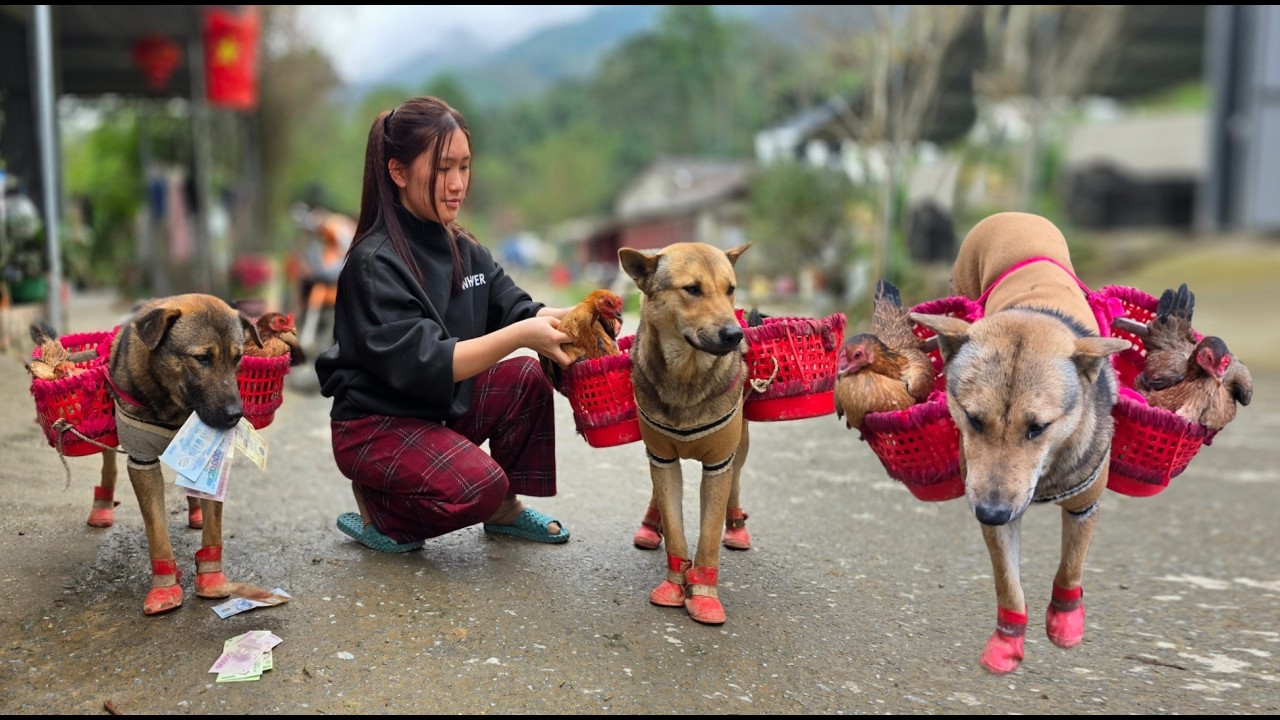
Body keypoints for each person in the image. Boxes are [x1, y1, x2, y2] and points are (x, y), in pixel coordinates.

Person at [315, 95, 577, 552]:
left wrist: (578, 320)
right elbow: (434, 360)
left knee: (526, 378)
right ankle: (384, 511)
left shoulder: (464, 247)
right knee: (479, 484)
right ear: (397, 172)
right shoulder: (374, 263)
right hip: (376, 427)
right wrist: (521, 335)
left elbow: (517, 307)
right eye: (442, 169)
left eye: (464, 167)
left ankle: (505, 511)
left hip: (434, 412)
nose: (457, 184)